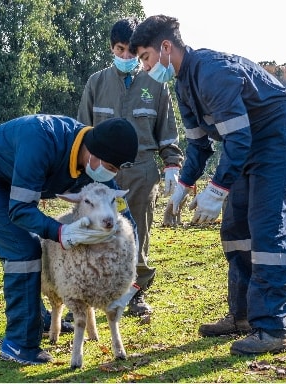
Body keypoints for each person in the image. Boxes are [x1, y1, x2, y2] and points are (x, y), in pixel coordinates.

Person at [129, 15, 286, 356]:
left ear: (165, 48)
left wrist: (216, 190)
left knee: (267, 229)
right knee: (235, 229)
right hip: (246, 146)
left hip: (278, 139)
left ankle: (272, 328)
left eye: (146, 58)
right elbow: (199, 146)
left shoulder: (212, 72)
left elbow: (238, 138)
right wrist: (182, 185)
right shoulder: (182, 85)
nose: (146, 67)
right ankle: (242, 317)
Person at [0, 114, 138, 365]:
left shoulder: (97, 160)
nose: (109, 174)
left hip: (17, 177)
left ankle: (39, 319)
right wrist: (60, 232)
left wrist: (131, 264)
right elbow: (20, 209)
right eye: (110, 167)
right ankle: (19, 344)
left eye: (115, 170)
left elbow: (123, 217)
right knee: (24, 250)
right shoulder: (41, 141)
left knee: (33, 248)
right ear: (94, 153)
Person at [77, 17, 184, 316]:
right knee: (99, 231)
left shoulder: (156, 84)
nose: (125, 58)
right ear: (112, 48)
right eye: (119, 50)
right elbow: (81, 130)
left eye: (131, 52)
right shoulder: (96, 83)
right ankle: (94, 292)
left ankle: (136, 293)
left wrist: (172, 164)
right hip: (101, 174)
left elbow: (167, 130)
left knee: (138, 234)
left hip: (141, 171)